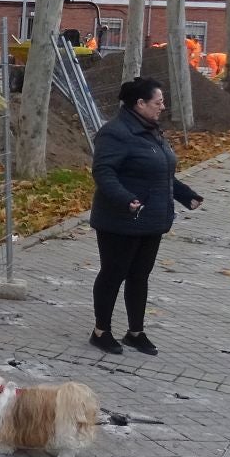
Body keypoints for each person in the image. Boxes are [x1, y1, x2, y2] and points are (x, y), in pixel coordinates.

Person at [87, 77, 204, 355]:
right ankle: (100, 331)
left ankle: (135, 332)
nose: (162, 107)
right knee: (113, 274)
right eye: (158, 102)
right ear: (140, 103)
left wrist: (186, 195)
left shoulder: (151, 131)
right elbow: (103, 172)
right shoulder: (115, 133)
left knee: (140, 275)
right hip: (120, 220)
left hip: (151, 220)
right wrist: (127, 199)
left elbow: (161, 173)